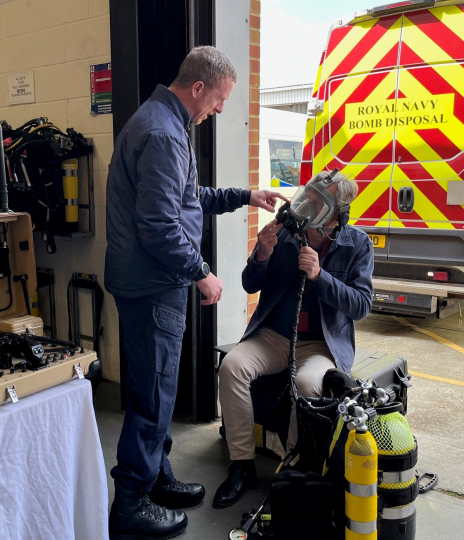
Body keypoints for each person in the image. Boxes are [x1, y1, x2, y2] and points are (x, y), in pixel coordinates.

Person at [104, 46, 287, 540]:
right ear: (200, 87)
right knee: (152, 395)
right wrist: (202, 271)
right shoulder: (164, 133)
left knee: (156, 389)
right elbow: (160, 224)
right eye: (221, 99)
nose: (221, 110)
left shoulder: (161, 121)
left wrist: (245, 196)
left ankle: (157, 477)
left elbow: (190, 199)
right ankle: (130, 503)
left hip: (144, 282)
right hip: (154, 284)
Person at [212, 171, 374, 509]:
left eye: (317, 203)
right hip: (274, 335)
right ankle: (242, 463)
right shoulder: (285, 235)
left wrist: (320, 276)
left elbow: (361, 305)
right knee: (232, 367)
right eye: (307, 197)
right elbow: (249, 284)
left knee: (307, 384)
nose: (305, 206)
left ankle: (292, 466)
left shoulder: (358, 244)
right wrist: (261, 254)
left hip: (320, 345)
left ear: (336, 214)